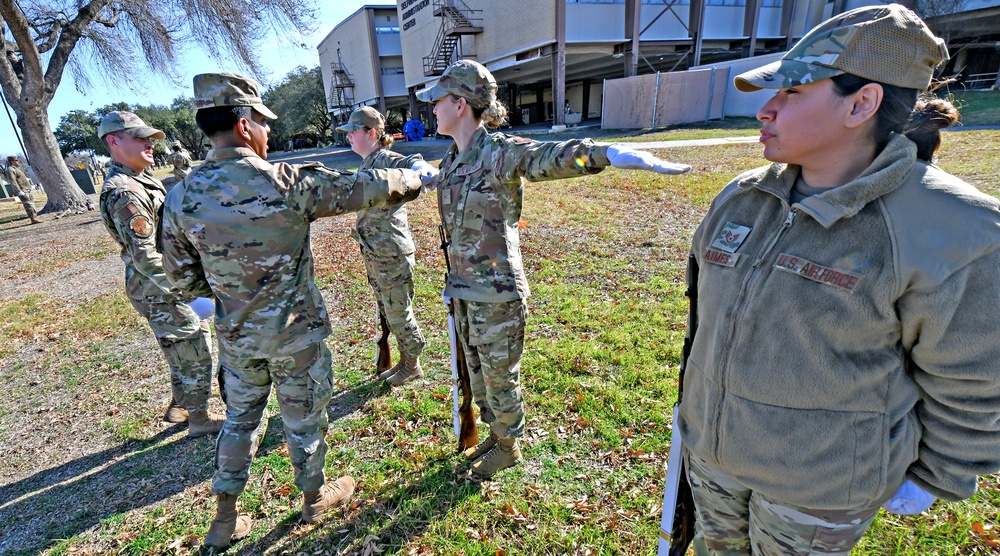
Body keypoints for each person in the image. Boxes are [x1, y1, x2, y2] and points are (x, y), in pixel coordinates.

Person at [678, 5, 1000, 554]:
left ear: (862, 103)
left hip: (819, 488)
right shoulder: (743, 196)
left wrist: (936, 476)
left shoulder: (953, 227)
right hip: (713, 458)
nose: (767, 111)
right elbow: (702, 325)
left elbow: (975, 379)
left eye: (792, 94)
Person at [159, 72, 433, 548]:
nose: (267, 132)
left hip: (238, 340)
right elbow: (365, 187)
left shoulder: (181, 195)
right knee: (303, 419)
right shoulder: (286, 181)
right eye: (263, 123)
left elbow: (182, 282)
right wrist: (416, 177)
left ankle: (224, 519)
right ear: (245, 125)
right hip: (295, 336)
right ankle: (313, 498)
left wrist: (229, 304)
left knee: (242, 421)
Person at [416, 59, 691, 478]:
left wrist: (605, 154)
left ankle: (508, 447)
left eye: (437, 101)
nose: (431, 109)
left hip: (497, 292)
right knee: (478, 371)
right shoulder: (453, 160)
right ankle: (495, 433)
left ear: (459, 104)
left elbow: (549, 156)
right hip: (465, 290)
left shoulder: (499, 152)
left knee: (499, 375)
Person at [96, 111, 223, 437]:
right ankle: (198, 420)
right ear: (114, 142)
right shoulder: (125, 191)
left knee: (186, 345)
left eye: (149, 137)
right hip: (159, 287)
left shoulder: (140, 178)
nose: (149, 143)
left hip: (164, 284)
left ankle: (180, 408)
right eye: (139, 137)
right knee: (194, 350)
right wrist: (187, 291)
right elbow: (145, 256)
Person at [337, 107, 427, 386]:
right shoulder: (367, 162)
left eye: (354, 131)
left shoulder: (385, 159)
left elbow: (411, 161)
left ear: (371, 132)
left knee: (399, 312)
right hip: (376, 253)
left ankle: (412, 364)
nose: (349, 136)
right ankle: (404, 360)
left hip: (391, 252)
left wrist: (419, 167)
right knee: (388, 310)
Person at [6, 156, 41, 224]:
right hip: (22, 190)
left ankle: (35, 217)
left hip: (27, 189)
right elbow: (13, 181)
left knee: (32, 204)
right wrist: (19, 191)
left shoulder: (17, 169)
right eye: (16, 160)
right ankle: (32, 218)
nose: (18, 162)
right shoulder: (11, 170)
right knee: (28, 205)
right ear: (11, 161)